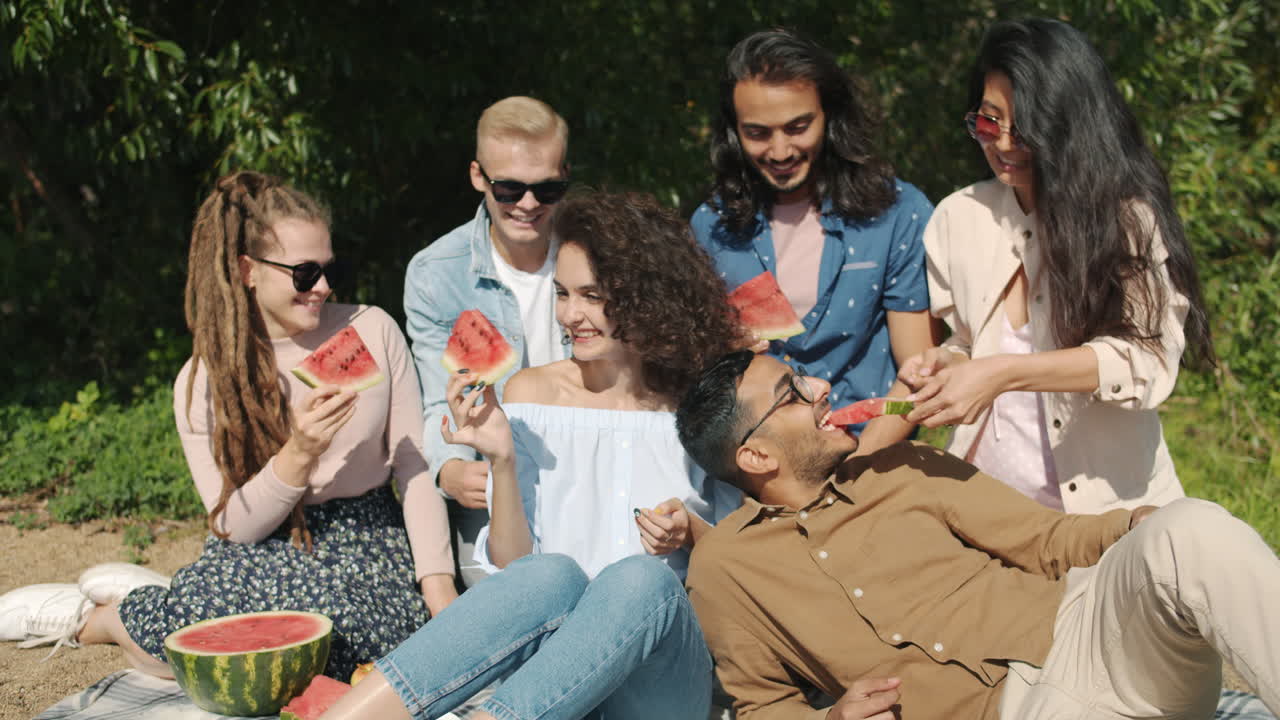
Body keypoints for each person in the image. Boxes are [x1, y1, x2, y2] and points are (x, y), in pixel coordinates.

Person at [0, 171, 456, 680]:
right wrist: (298, 453)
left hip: (366, 536)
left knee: (358, 641)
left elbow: (415, 465)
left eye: (331, 269)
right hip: (261, 543)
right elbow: (234, 526)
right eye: (304, 274)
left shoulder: (372, 328)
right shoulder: (205, 380)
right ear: (248, 271)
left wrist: (438, 586)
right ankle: (97, 621)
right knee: (200, 646)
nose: (323, 288)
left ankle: (156, 601)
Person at [319, 191, 747, 720]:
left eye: (593, 295)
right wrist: (500, 456)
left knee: (641, 578)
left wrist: (691, 532)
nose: (571, 314)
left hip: (659, 685)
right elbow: (517, 573)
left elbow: (748, 563)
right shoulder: (527, 396)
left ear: (647, 295)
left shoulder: (698, 409)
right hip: (550, 689)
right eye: (563, 293)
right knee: (551, 574)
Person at [676, 350, 1279, 720]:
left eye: (805, 378)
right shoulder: (726, 568)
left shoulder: (904, 466)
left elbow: (1046, 540)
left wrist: (1133, 525)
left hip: (1091, 639)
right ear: (754, 455)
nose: (820, 389)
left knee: (1189, 526)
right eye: (793, 393)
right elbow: (761, 706)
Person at [898, 18, 1214, 512]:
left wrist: (1006, 373)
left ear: (1069, 125)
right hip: (989, 510)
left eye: (1027, 129)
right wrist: (951, 361)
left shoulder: (1124, 219)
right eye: (988, 121)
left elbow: (1146, 363)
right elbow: (968, 340)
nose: (1003, 144)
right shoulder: (958, 216)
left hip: (1110, 511)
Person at [690, 28, 936, 455]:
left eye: (798, 127)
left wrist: (859, 461)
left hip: (873, 467)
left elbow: (917, 374)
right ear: (733, 131)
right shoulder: (711, 226)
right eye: (758, 133)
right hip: (759, 474)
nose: (781, 150)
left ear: (830, 114)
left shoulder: (900, 213)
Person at [404, 95, 571, 589]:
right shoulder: (436, 274)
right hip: (490, 488)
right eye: (509, 187)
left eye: (547, 189)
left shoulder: (600, 254)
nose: (528, 205)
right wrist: (448, 469)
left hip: (583, 470)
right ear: (478, 176)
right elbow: (440, 395)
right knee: (506, 613)